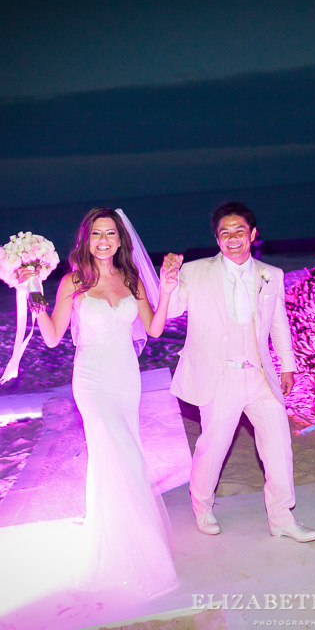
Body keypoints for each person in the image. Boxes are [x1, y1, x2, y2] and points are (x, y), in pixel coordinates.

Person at [22, 206, 183, 595]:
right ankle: (135, 553)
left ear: (120, 239)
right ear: (86, 239)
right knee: (120, 453)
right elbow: (53, 337)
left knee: (119, 458)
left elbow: (155, 330)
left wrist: (166, 289)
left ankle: (123, 542)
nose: (104, 240)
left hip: (126, 380)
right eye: (97, 234)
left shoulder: (131, 280)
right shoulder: (73, 282)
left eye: (110, 233)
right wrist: (33, 301)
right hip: (92, 383)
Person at [163, 202, 315, 543]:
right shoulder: (195, 271)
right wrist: (168, 283)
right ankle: (202, 506)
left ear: (253, 234)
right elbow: (171, 312)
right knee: (212, 447)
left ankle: (282, 519)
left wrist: (288, 366)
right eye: (225, 233)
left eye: (239, 231)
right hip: (219, 379)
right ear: (216, 238)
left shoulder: (270, 274)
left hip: (260, 377)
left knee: (279, 447)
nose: (233, 239)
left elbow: (279, 325)